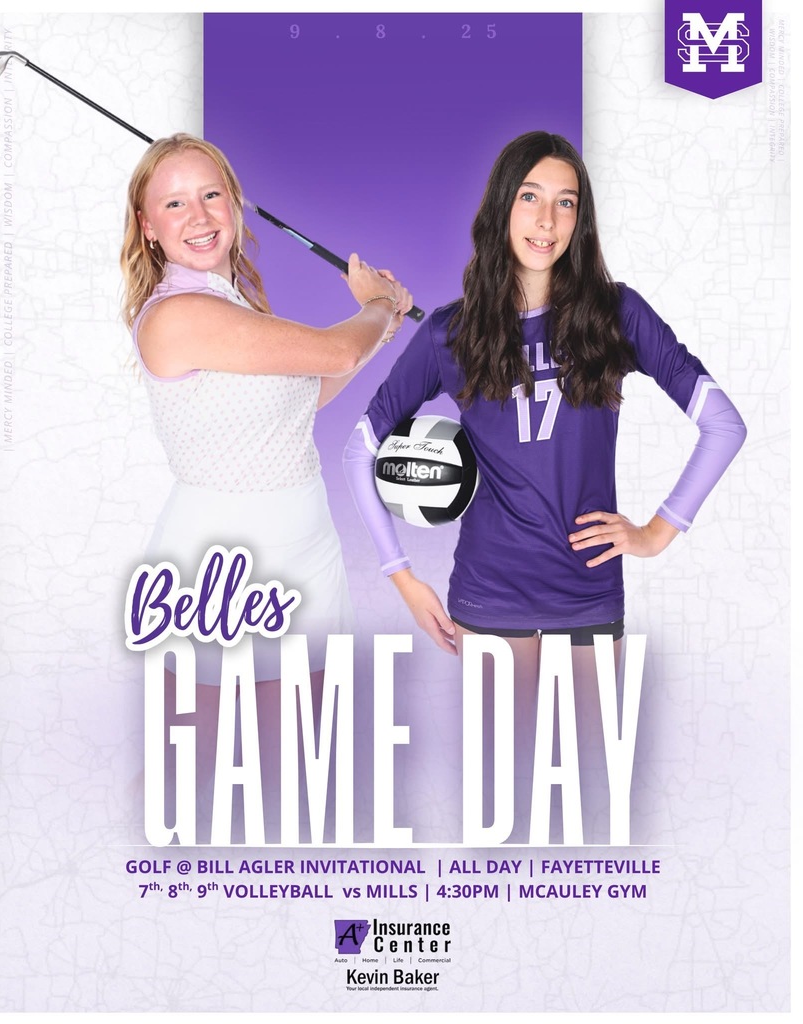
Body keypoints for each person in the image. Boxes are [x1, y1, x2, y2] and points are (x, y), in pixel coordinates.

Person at [342, 131, 746, 839]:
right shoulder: (449, 334)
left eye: (566, 203)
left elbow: (724, 425)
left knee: (596, 803)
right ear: (503, 207)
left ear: (580, 221)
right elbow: (359, 448)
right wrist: (402, 577)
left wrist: (658, 529)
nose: (546, 219)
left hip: (589, 591)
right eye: (530, 197)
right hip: (489, 596)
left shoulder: (616, 314)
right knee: (501, 808)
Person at [120, 133, 412, 835]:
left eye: (212, 193)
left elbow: (302, 398)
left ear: (237, 205)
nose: (199, 214)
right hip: (218, 564)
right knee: (190, 759)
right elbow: (337, 346)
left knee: (296, 751)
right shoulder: (178, 314)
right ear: (148, 227)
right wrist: (373, 305)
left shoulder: (233, 306)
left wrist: (386, 322)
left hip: (303, 547)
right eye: (174, 201)